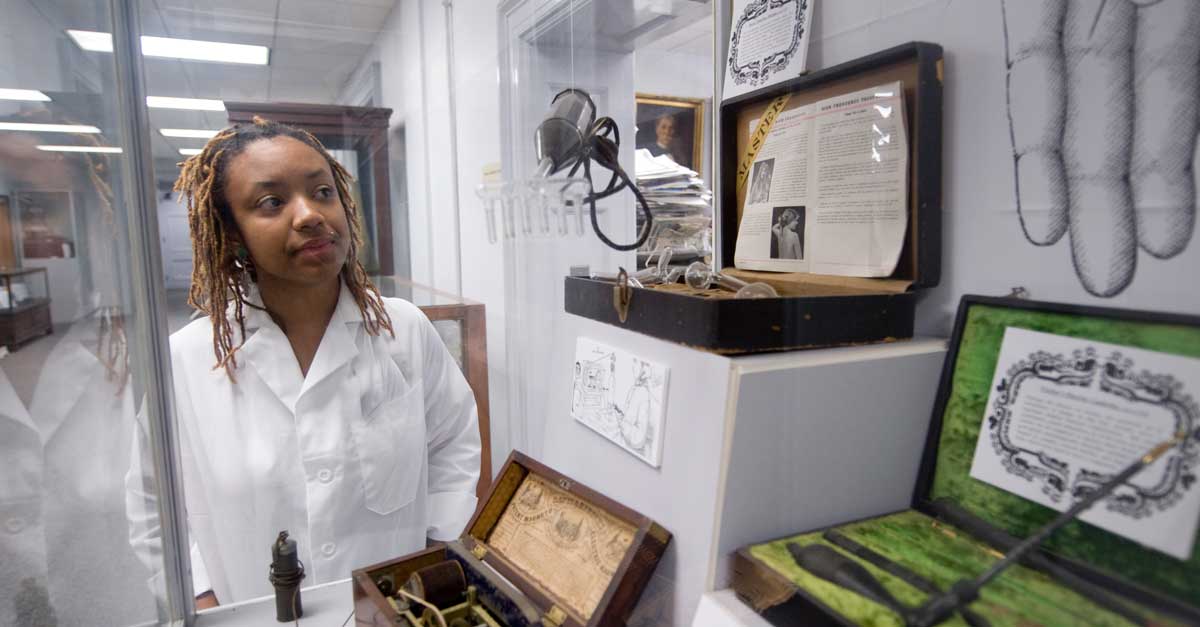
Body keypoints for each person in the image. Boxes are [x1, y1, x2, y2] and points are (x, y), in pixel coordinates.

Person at [126, 117, 480, 607]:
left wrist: (434, 557)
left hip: (392, 608)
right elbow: (153, 506)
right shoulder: (188, 360)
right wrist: (205, 604)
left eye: (322, 191)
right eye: (271, 202)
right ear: (231, 234)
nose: (310, 214)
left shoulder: (404, 331)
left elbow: (452, 445)